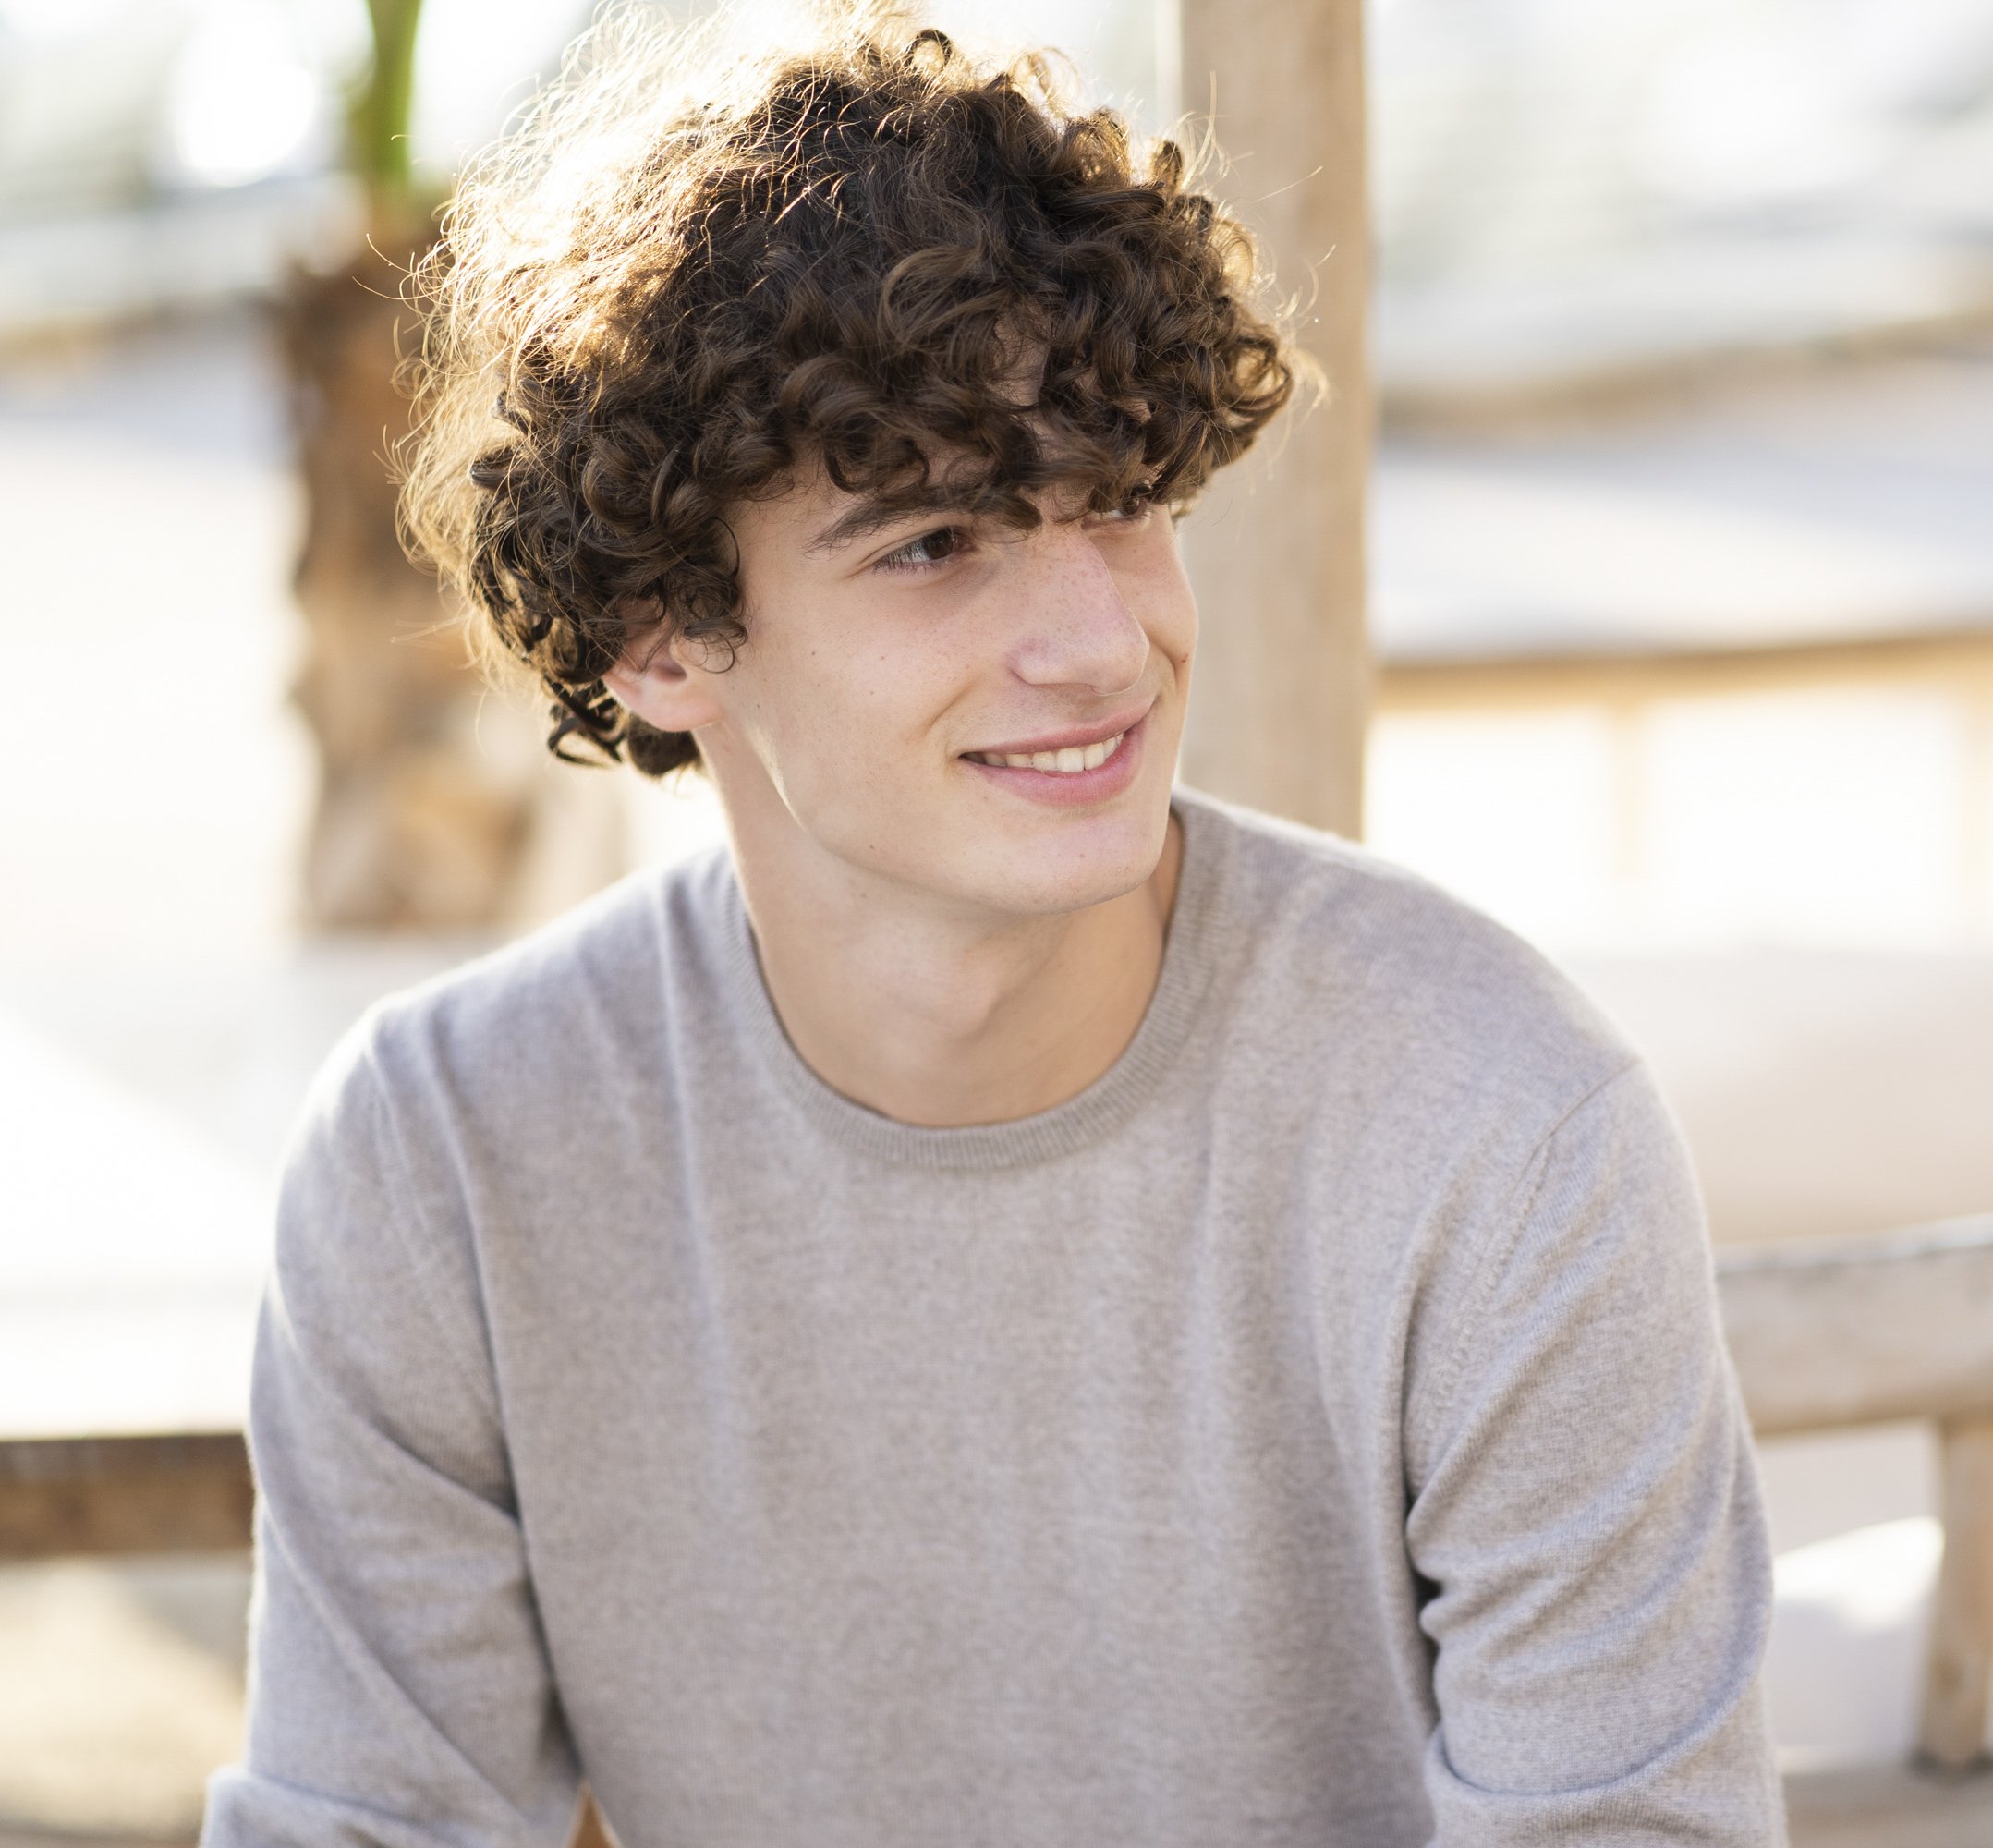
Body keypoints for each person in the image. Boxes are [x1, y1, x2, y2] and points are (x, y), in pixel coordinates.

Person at [204, 14, 1785, 1846]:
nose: (1102, 645)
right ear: (663, 635)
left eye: (1117, 506)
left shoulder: (1490, 1127)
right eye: (937, 542)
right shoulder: (448, 1165)